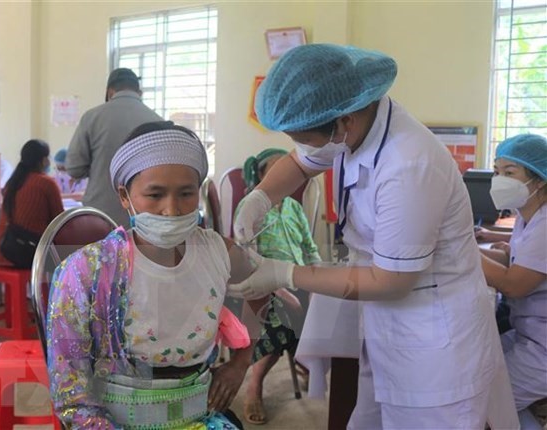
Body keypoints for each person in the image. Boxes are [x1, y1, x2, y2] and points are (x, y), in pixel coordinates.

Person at [229, 44, 518, 428]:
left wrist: (286, 273)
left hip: (435, 346)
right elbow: (300, 163)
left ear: (343, 121)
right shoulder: (354, 125)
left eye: (305, 136)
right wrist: (260, 197)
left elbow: (391, 279)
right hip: (390, 328)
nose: (301, 146)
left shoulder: (408, 164)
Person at [47, 121, 267, 429]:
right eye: (155, 194)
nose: (172, 210)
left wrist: (241, 362)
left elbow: (263, 286)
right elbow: (71, 393)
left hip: (201, 418)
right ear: (125, 196)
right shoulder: (87, 271)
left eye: (186, 193)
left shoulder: (217, 252)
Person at [238, 148, 320, 425]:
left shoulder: (294, 208)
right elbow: (244, 258)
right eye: (273, 171)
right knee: (284, 320)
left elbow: (309, 247)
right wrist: (279, 288)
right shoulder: (250, 209)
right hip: (264, 284)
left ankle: (308, 363)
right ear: (261, 177)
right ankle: (255, 387)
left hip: (297, 277)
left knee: (324, 313)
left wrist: (319, 279)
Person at [479, 134, 547, 428]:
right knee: (475, 372)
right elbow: (516, 262)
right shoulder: (528, 216)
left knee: (484, 401)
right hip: (528, 333)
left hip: (542, 348)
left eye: (509, 173)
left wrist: (461, 251)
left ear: (539, 179)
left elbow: (515, 283)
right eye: (496, 172)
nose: (499, 180)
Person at [67, 68, 162, 226]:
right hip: (143, 217)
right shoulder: (157, 121)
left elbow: (74, 168)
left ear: (110, 92)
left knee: (100, 252)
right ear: (140, 93)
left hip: (100, 216)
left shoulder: (92, 117)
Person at [0, 139, 64, 267]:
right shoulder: (46, 183)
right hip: (29, 253)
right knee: (75, 252)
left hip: (5, 250)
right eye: (48, 157)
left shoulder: (13, 182)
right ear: (43, 160)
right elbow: (59, 221)